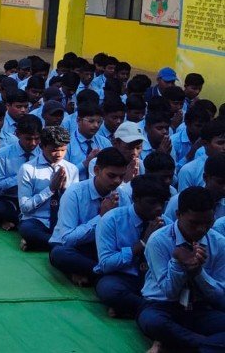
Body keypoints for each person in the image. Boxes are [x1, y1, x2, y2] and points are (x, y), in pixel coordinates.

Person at [137, 187, 225, 351]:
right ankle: (205, 345)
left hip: (199, 308)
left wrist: (198, 272)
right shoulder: (159, 240)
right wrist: (178, 262)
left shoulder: (219, 243)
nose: (201, 229)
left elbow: (219, 295)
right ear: (178, 215)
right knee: (152, 321)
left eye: (208, 223)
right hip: (161, 306)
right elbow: (169, 292)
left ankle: (173, 343)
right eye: (194, 223)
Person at [49, 147, 128, 285]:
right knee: (59, 254)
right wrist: (101, 217)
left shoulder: (122, 196)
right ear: (97, 170)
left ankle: (94, 272)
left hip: (101, 248)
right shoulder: (74, 193)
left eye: (121, 177)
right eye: (112, 175)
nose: (117, 181)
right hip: (74, 247)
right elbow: (67, 239)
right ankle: (104, 273)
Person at [95, 175, 170, 318]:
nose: (159, 208)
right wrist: (143, 243)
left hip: (154, 280)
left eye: (162, 203)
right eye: (152, 203)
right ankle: (151, 310)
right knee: (108, 289)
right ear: (135, 198)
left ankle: (134, 309)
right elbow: (105, 264)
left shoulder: (168, 225)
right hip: (124, 277)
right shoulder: (112, 219)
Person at [17, 126, 80, 251]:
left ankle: (41, 244)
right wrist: (50, 189)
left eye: (63, 150)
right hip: (38, 220)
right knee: (27, 229)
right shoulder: (28, 169)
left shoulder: (72, 169)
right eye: (54, 150)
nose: (59, 154)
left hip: (62, 221)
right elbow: (25, 208)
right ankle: (62, 244)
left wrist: (64, 191)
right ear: (42, 146)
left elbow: (75, 206)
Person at [0, 115, 44, 230]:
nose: (33, 143)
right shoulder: (3, 153)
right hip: (12, 200)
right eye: (28, 139)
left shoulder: (43, 153)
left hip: (36, 200)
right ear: (18, 134)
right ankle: (25, 221)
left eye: (37, 139)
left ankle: (17, 221)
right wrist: (20, 177)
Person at [66, 102, 110, 180]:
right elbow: (64, 174)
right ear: (78, 120)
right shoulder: (67, 143)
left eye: (99, 122)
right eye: (91, 121)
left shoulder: (105, 142)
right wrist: (86, 162)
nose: (96, 125)